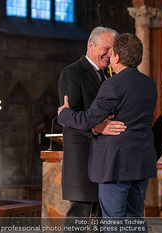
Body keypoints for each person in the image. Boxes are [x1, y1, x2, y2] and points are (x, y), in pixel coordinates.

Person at [58, 33, 158, 223]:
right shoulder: (150, 84)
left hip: (115, 166)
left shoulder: (113, 84)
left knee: (114, 222)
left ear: (117, 57)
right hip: (140, 163)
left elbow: (88, 119)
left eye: (111, 52)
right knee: (135, 220)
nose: (109, 55)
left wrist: (64, 113)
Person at [58, 26, 126, 229]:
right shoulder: (71, 73)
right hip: (82, 159)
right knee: (80, 215)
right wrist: (98, 127)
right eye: (106, 48)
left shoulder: (107, 76)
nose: (109, 54)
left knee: (97, 217)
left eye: (113, 51)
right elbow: (69, 116)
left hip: (103, 160)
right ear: (91, 45)